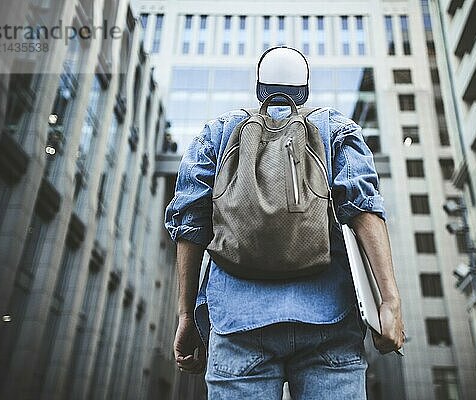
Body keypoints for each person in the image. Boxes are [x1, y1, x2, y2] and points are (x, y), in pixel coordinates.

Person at [165, 46, 404, 399]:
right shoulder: (335, 129)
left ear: (259, 87)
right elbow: (365, 210)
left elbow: (190, 226)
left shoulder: (218, 132)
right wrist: (389, 301)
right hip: (330, 320)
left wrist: (187, 316)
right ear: (305, 90)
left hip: (237, 324)